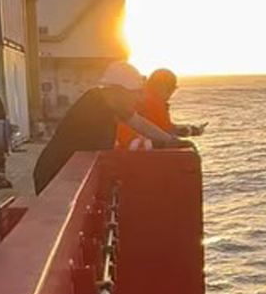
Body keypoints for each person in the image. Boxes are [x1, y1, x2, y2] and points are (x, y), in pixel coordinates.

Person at [33, 61, 190, 194]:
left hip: (64, 173)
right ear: (117, 91)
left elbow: (139, 123)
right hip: (54, 175)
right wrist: (165, 142)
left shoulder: (108, 103)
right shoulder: (91, 110)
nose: (138, 98)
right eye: (135, 92)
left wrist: (170, 141)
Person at [115, 68, 206, 150]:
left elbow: (150, 128)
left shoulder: (128, 111)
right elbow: (132, 143)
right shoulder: (153, 102)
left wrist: (190, 130)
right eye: (171, 89)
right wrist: (173, 143)